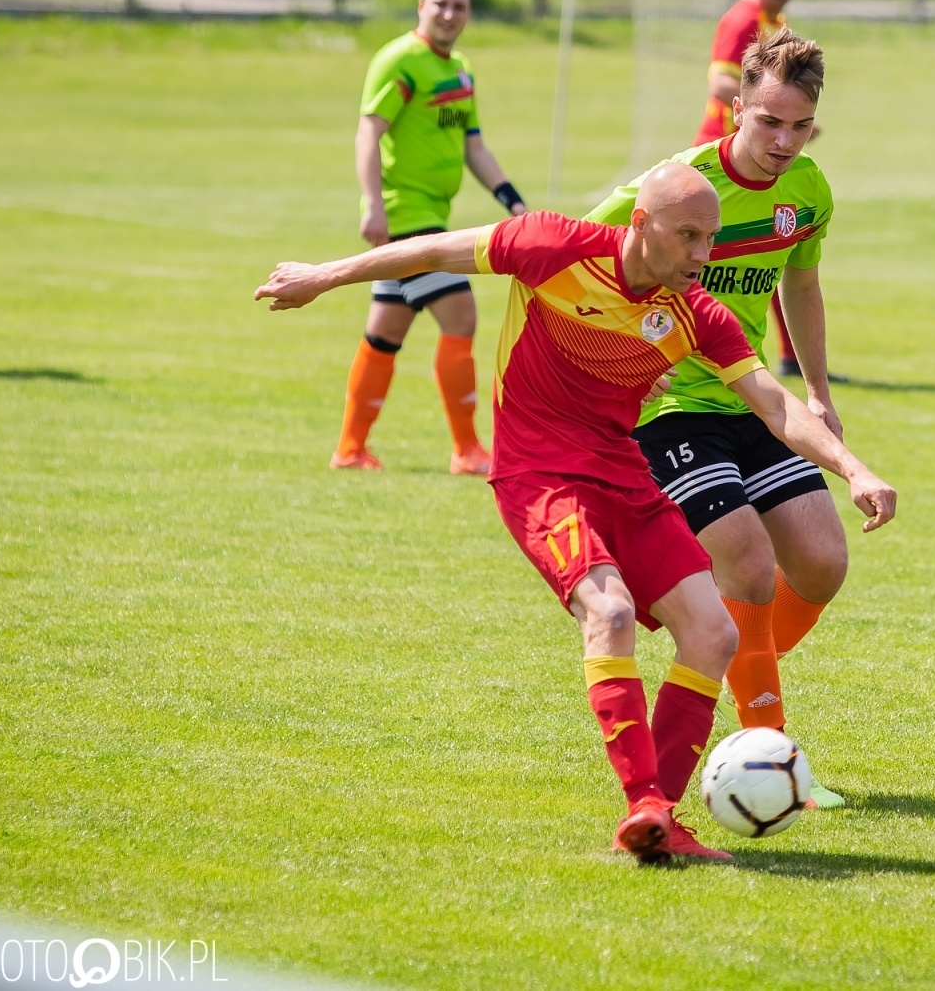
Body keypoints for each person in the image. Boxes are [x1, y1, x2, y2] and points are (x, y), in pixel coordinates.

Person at [254, 164, 897, 865]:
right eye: (687, 236)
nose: (701, 256)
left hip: (624, 473)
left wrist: (853, 467)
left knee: (711, 631)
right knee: (611, 614)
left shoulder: (696, 314)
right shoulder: (553, 246)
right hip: (538, 473)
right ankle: (644, 805)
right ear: (640, 222)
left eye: (710, 239)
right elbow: (431, 251)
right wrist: (322, 275)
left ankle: (664, 819)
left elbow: (774, 405)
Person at [587, 28, 849, 809]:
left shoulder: (808, 190)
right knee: (747, 565)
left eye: (799, 125)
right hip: (669, 404)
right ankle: (768, 754)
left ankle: (730, 655)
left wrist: (819, 391)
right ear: (737, 108)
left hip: (754, 394)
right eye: (768, 121)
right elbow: (586, 248)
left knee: (822, 563)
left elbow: (798, 286)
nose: (782, 140)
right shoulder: (681, 186)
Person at [336, 0, 529, 473]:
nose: (448, 14)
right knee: (461, 315)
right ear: (421, 5)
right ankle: (468, 450)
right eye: (440, 4)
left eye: (459, 6)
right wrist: (373, 204)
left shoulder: (459, 68)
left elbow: (474, 147)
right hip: (407, 216)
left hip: (429, 214)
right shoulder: (399, 60)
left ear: (469, 14)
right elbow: (367, 133)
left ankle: (350, 450)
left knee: (385, 331)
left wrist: (512, 201)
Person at [697, 0, 806, 378]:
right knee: (703, 261)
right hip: (723, 159)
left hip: (756, 161)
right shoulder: (742, 19)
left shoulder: (776, 24)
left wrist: (785, 126)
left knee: (773, 249)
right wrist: (772, 119)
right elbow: (721, 80)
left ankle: (786, 357)